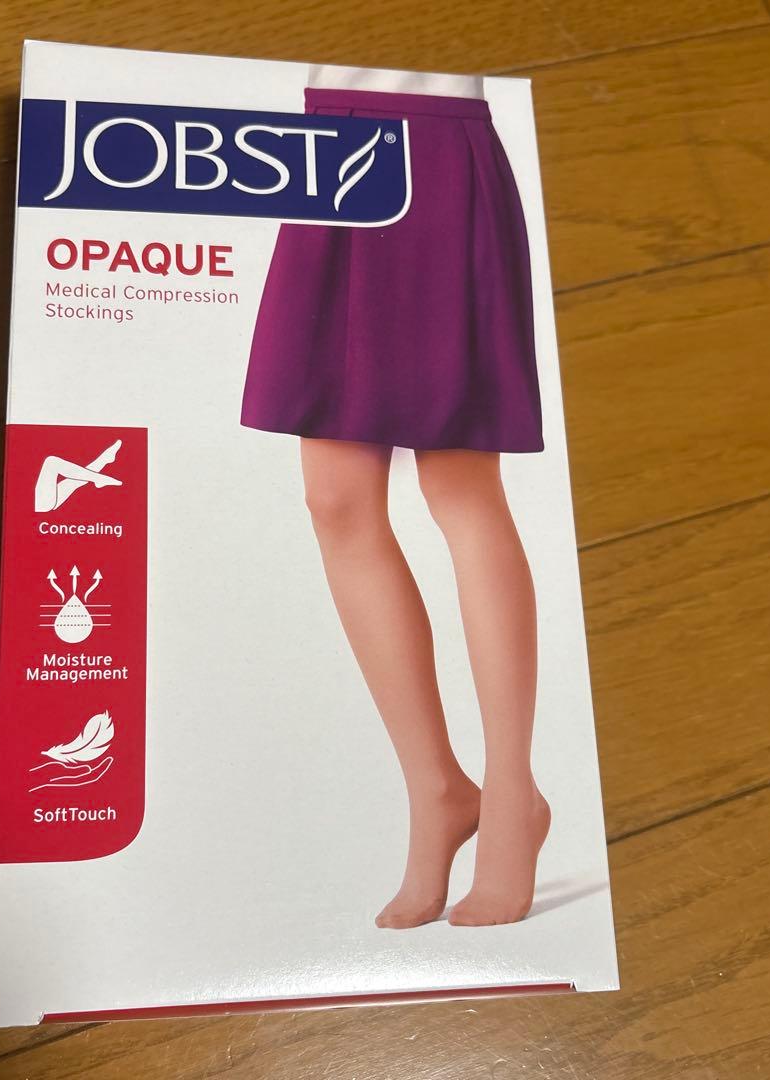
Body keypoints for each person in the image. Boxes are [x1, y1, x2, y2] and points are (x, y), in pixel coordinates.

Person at [241, 67, 549, 928]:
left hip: (433, 143)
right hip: (324, 149)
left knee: (459, 484)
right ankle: (438, 789)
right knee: (334, 499)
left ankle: (513, 795)